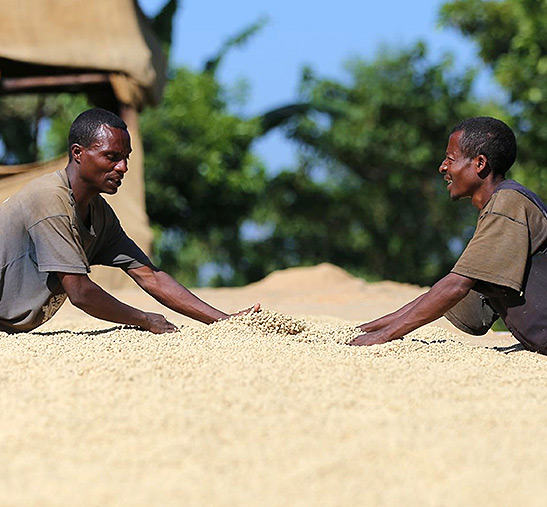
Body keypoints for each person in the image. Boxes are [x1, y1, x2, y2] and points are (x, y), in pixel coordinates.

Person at [0, 108, 259, 333]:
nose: (123, 167)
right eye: (112, 157)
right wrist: (145, 319)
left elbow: (150, 276)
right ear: (78, 153)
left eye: (126, 158)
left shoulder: (99, 214)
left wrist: (226, 322)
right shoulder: (50, 200)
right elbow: (80, 292)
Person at [350, 117, 547, 353]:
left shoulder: (508, 202)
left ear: (480, 163)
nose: (443, 167)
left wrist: (384, 337)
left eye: (450, 159)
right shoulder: (503, 204)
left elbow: (456, 286)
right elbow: (453, 289)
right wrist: (375, 327)